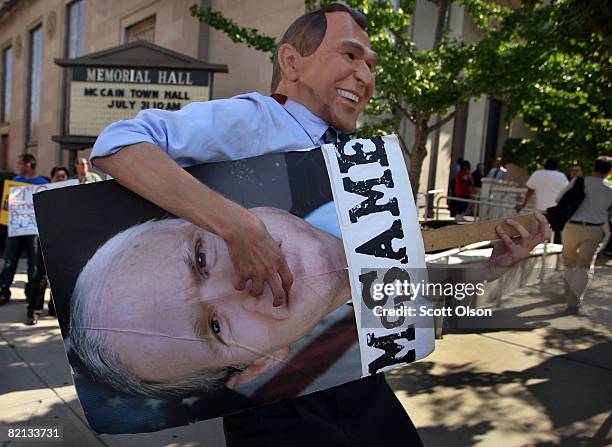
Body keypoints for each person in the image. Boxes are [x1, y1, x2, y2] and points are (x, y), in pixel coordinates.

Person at [90, 4, 549, 445]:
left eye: (369, 63)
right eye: (348, 55)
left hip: (367, 400)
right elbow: (119, 143)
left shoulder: (355, 170)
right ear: (291, 61)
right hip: (277, 422)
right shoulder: (257, 117)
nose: (365, 75)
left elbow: (399, 298)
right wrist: (235, 226)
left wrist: (493, 268)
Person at [560, 157, 612, 313]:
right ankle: (573, 302)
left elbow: (559, 199)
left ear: (593, 167)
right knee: (584, 266)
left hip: (571, 227)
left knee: (569, 261)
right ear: (609, 171)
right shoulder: (610, 188)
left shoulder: (578, 182)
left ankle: (568, 292)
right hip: (594, 230)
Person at [0, 154, 48, 306]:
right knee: (9, 260)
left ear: (28, 165)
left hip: (33, 231)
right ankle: (3, 290)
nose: (17, 166)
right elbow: (7, 206)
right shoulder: (15, 182)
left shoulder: (42, 183)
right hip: (15, 229)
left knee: (33, 263)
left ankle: (30, 292)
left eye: (19, 163)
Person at [24, 166, 69, 324]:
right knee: (41, 275)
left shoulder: (71, 197)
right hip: (44, 238)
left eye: (63, 176)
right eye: (58, 176)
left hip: (64, 240)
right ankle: (34, 310)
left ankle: (54, 307)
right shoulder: (42, 195)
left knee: (61, 275)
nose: (61, 179)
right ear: (51, 179)